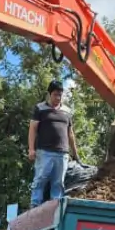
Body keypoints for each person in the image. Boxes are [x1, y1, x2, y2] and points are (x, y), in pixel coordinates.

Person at [28, 79, 80, 207]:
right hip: (44, 152)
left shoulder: (67, 111)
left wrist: (75, 153)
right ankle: (35, 206)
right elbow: (33, 128)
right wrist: (31, 149)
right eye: (55, 94)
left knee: (58, 183)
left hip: (62, 153)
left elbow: (70, 133)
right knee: (40, 180)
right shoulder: (40, 108)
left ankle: (54, 208)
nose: (58, 97)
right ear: (49, 94)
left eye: (60, 95)